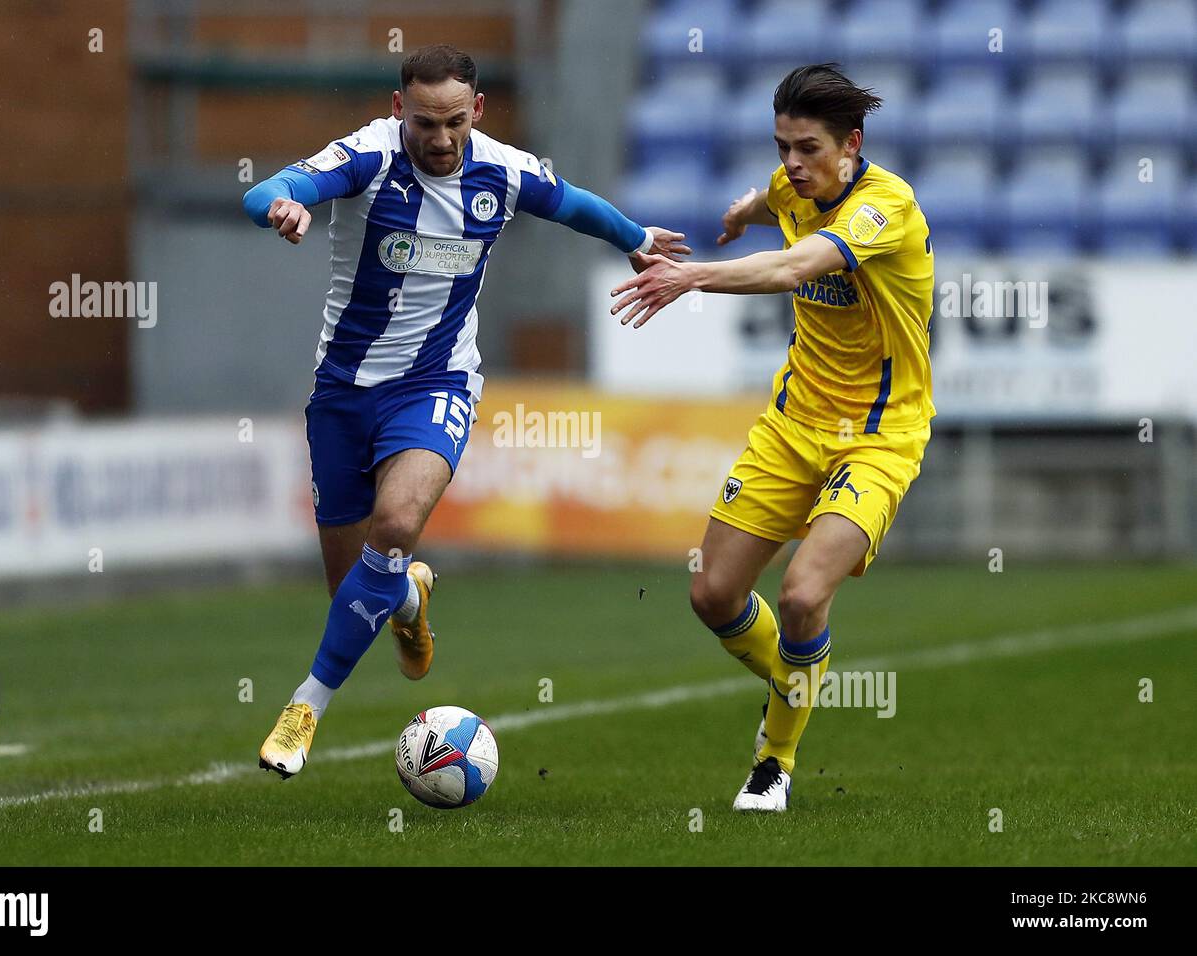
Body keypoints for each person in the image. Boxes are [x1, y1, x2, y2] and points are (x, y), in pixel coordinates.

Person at [242, 44, 689, 779]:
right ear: (398, 110)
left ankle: (304, 707)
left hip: (436, 384)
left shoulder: (502, 171)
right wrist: (283, 205)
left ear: (476, 111)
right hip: (342, 394)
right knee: (355, 589)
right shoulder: (367, 157)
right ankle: (410, 596)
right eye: (424, 123)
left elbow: (573, 203)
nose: (440, 139)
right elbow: (269, 190)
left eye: (454, 122)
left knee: (393, 527)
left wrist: (637, 240)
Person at [610, 63, 934, 812]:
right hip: (793, 423)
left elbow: (796, 265)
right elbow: (773, 205)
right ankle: (802, 675)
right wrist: (744, 212)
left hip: (879, 436)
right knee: (713, 593)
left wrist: (694, 277)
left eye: (810, 147)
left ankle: (773, 761)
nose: (793, 161)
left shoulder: (888, 209)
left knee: (800, 594)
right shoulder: (794, 184)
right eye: (783, 145)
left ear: (851, 144)